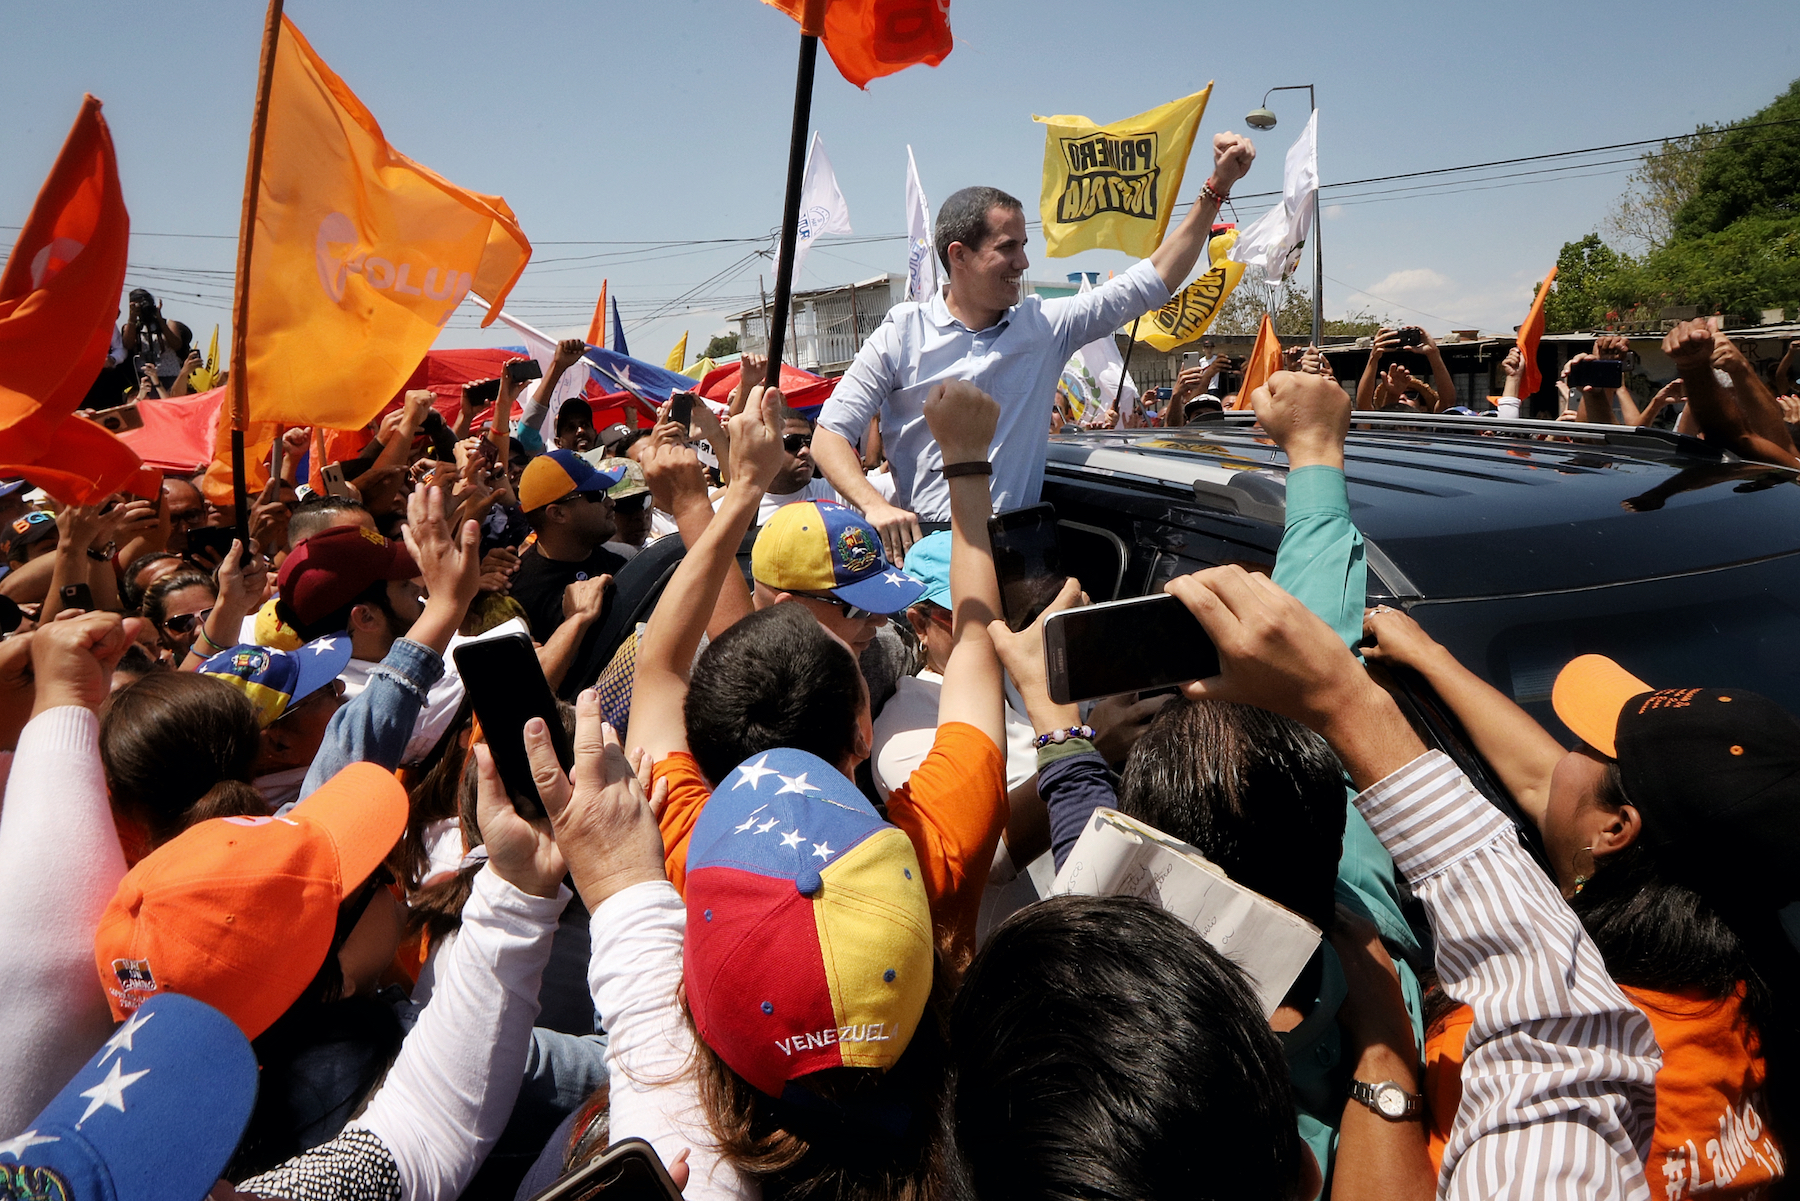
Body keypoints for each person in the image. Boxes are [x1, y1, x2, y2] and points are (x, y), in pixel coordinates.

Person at [1360, 612, 1799, 1196]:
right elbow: (1552, 787)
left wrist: (1382, 1051)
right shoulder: (1746, 978)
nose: (1564, 753)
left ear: (1617, 830)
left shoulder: (1517, 1044)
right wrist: (1431, 658)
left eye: (1586, 745)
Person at [626, 381, 1008, 968]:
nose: (879, 625)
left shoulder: (695, 857)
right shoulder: (929, 851)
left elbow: (661, 669)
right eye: (854, 608)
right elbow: (979, 637)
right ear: (865, 734)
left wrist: (736, 490)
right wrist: (965, 463)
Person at [812, 133, 1257, 561]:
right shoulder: (901, 333)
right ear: (959, 255)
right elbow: (829, 435)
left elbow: (1151, 281)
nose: (1024, 263)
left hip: (1018, 553)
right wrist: (876, 506)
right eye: (1008, 248)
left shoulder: (1044, 326)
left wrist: (1215, 189)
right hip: (930, 554)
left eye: (1024, 246)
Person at [509, 449, 625, 645]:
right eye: (597, 494)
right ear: (558, 514)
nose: (611, 502)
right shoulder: (516, 594)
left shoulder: (623, 564)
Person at [752, 412, 837, 523]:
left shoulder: (838, 493)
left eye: (809, 442)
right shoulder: (736, 509)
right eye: (792, 442)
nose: (806, 451)